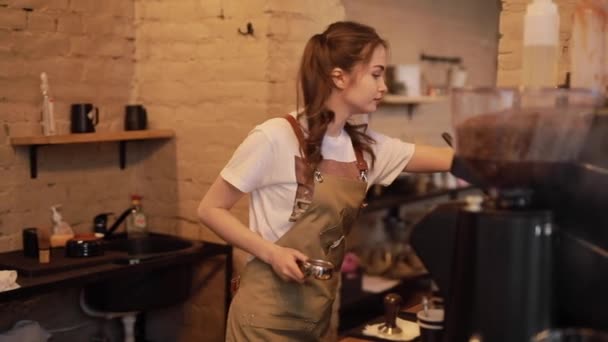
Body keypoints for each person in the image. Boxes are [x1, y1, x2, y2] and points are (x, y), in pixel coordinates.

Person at [198, 21, 454, 341]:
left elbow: (445, 159)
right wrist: (272, 253)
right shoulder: (275, 136)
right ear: (339, 76)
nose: (384, 85)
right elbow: (210, 209)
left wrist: (490, 158)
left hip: (316, 318)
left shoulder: (362, 148)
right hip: (262, 322)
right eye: (376, 74)